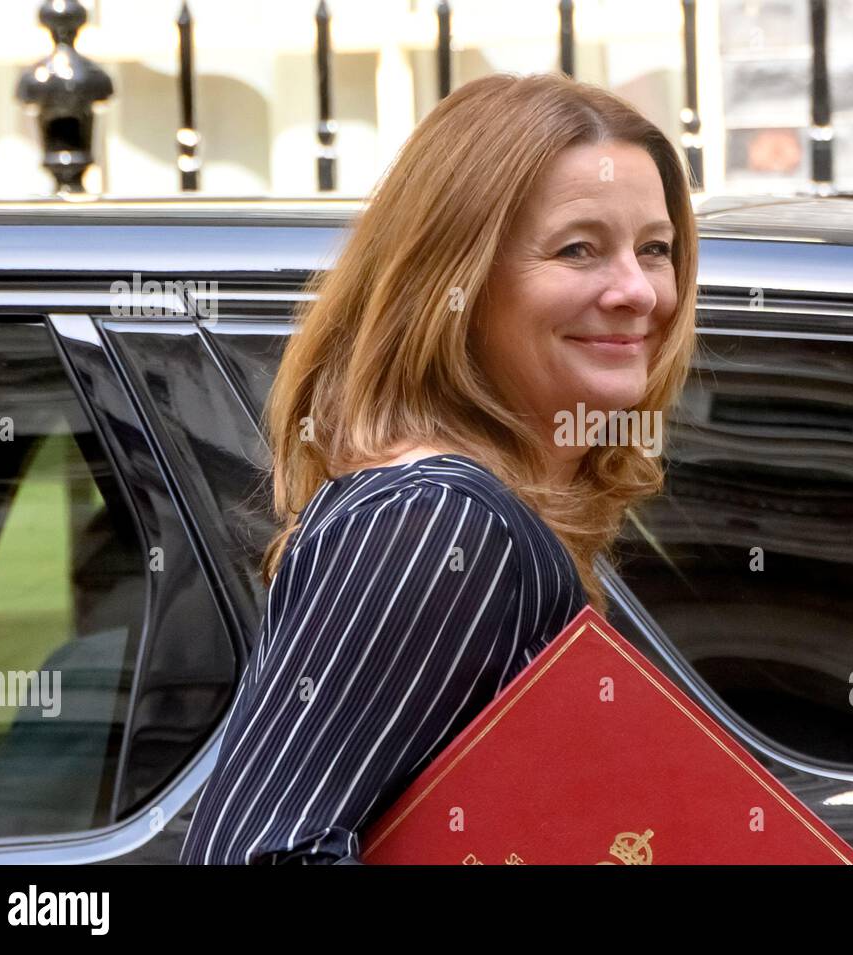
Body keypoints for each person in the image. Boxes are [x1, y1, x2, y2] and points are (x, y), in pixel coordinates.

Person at [179, 71, 698, 864]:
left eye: (654, 250)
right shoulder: (435, 521)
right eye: (578, 248)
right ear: (455, 280)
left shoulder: (476, 513)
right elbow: (259, 853)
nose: (636, 289)